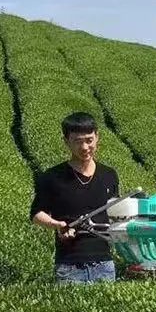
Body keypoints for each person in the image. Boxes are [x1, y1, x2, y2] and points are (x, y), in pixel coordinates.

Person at [30, 111, 120, 283]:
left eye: (89, 140)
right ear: (66, 141)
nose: (85, 147)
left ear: (97, 137)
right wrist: (57, 225)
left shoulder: (109, 175)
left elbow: (115, 211)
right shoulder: (53, 177)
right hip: (69, 267)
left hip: (105, 264)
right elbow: (36, 214)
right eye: (78, 141)